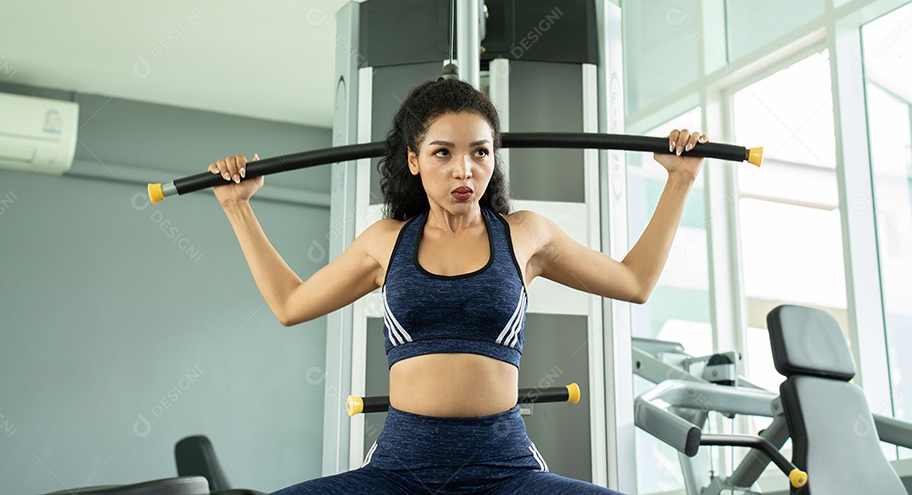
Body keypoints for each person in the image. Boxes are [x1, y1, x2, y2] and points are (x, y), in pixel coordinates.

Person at [209, 75, 706, 495]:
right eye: (442, 152)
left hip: (505, 469)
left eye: (480, 152)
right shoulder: (385, 242)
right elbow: (290, 303)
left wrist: (680, 180)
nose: (464, 169)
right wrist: (237, 206)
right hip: (400, 471)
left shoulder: (525, 234)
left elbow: (634, 282)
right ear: (413, 160)